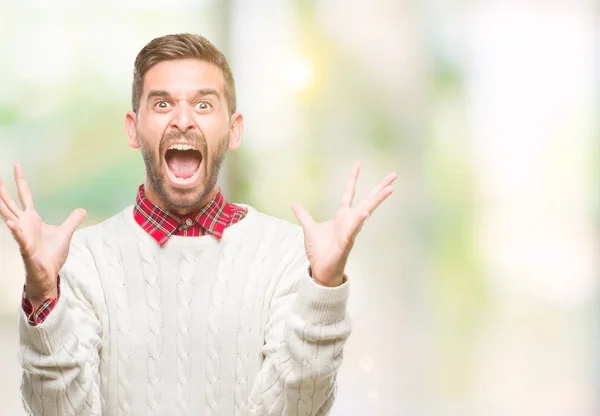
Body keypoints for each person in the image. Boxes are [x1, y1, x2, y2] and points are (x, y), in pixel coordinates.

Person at [0, 33, 396, 415]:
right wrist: (42, 295)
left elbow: (298, 411)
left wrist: (323, 290)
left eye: (204, 105)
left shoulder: (289, 257)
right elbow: (59, 412)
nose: (183, 121)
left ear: (234, 129)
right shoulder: (80, 262)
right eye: (162, 104)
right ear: (132, 128)